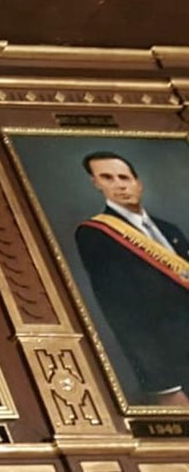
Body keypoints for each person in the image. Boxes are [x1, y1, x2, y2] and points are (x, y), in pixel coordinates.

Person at [75, 151, 189, 406]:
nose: (119, 185)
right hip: (174, 367)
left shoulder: (170, 230)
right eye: (107, 178)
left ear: (139, 182)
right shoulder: (97, 235)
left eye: (124, 177)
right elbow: (124, 314)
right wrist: (164, 387)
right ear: (96, 183)